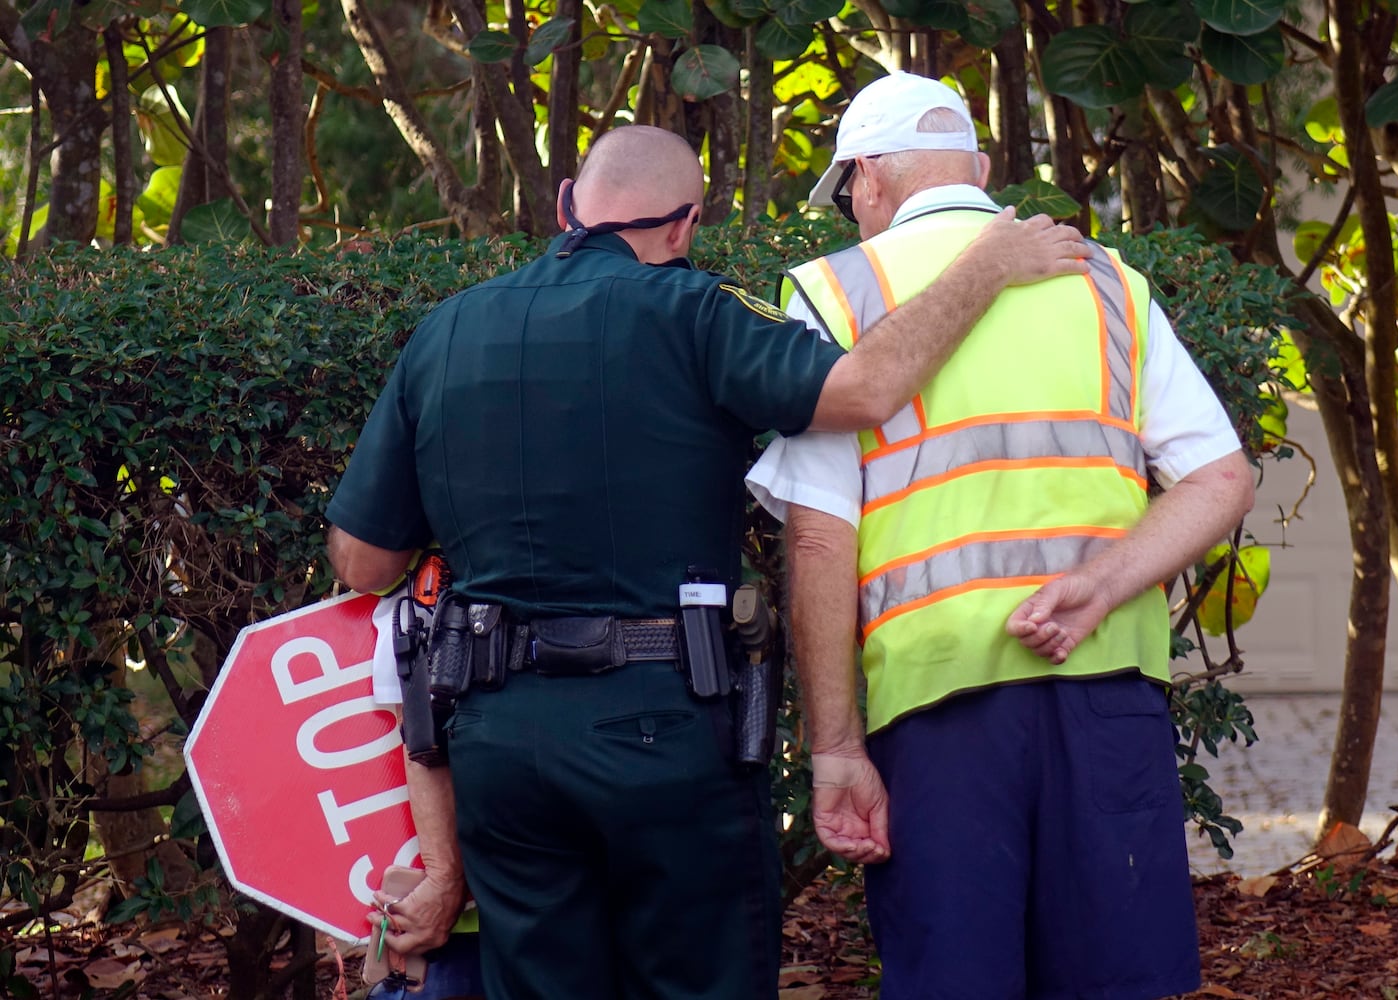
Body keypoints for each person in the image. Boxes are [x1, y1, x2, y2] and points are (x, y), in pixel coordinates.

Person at [323, 124, 1093, 1000]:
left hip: (500, 743)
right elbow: (863, 390)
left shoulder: (447, 332)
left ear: (569, 199)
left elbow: (362, 561)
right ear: (684, 226)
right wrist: (987, 266)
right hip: (664, 729)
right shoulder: (699, 312)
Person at [746, 73, 1255, 1000]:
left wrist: (834, 746)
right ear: (979, 168)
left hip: (935, 702)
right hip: (1107, 685)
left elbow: (821, 542)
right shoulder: (1108, 283)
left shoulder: (831, 293)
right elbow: (1223, 476)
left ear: (865, 178)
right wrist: (1102, 585)